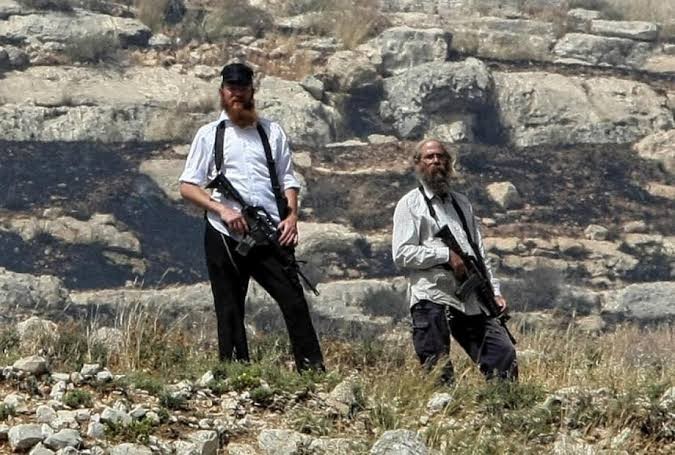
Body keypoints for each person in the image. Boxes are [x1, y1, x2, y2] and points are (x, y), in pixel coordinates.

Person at [178, 62, 324, 372]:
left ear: (252, 91)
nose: (237, 94)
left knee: (294, 301)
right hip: (224, 232)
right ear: (222, 92)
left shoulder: (271, 132)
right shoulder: (209, 135)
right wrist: (222, 210)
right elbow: (188, 186)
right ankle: (236, 374)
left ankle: (312, 371)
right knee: (229, 306)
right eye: (231, 88)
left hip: (268, 231)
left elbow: (288, 180)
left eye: (242, 88)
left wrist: (292, 217)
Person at [392, 139, 517, 384]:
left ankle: (504, 403)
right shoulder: (410, 204)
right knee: (437, 367)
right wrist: (445, 256)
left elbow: (478, 252)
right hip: (432, 295)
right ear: (418, 163)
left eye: (441, 157)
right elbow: (402, 253)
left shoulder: (461, 203)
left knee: (502, 355)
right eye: (429, 157)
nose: (436, 161)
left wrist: (495, 292)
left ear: (449, 163)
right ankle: (442, 406)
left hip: (470, 298)